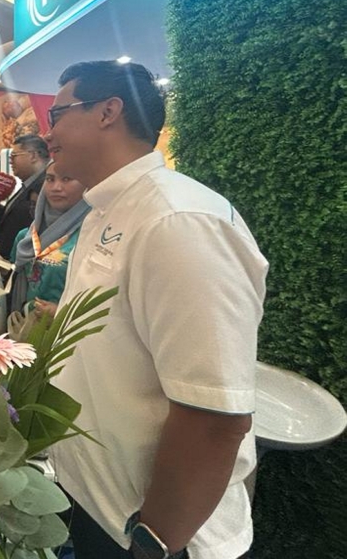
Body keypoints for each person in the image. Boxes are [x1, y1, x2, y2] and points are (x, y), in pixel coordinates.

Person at [45, 61, 266, 559]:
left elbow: (215, 415)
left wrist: (156, 540)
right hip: (97, 507)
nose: (48, 131)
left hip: (152, 533)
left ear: (108, 112)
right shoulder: (106, 210)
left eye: (57, 114)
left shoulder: (178, 220)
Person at [8, 162, 89, 317]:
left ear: (86, 184)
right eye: (50, 179)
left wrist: (61, 313)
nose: (56, 187)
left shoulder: (91, 235)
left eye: (66, 179)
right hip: (24, 324)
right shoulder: (26, 237)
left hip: (68, 328)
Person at [0, 135, 50, 257]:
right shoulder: (27, 184)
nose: (10, 161)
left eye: (14, 156)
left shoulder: (45, 185)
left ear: (33, 156)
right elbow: (18, 218)